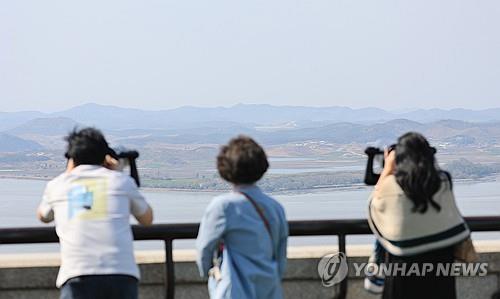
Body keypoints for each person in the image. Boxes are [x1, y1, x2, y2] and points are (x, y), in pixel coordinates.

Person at [36, 127, 153, 299]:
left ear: (71, 157)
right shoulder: (121, 182)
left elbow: (43, 216)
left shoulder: (58, 185)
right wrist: (116, 173)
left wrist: (69, 170)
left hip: (77, 274)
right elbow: (147, 219)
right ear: (105, 155)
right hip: (121, 273)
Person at [367, 132, 471, 299]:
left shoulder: (391, 186)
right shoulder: (443, 182)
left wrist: (387, 169)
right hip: (440, 273)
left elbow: (376, 203)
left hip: (401, 276)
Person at [196, 135, 288, 299]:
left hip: (234, 290)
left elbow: (205, 248)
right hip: (269, 288)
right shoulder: (275, 207)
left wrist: (208, 273)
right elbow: (280, 256)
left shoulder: (223, 206)